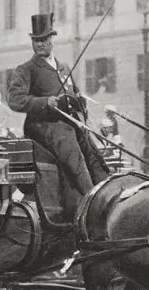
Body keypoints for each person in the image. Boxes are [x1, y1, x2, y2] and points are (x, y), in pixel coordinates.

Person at [7, 13, 109, 215]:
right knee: (69, 143)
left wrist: (79, 102)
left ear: (52, 39)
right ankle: (89, 204)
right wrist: (46, 102)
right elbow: (15, 100)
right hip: (42, 127)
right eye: (36, 40)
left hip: (69, 123)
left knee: (91, 147)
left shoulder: (64, 68)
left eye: (44, 39)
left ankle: (107, 195)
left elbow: (75, 93)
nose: (40, 44)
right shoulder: (26, 69)